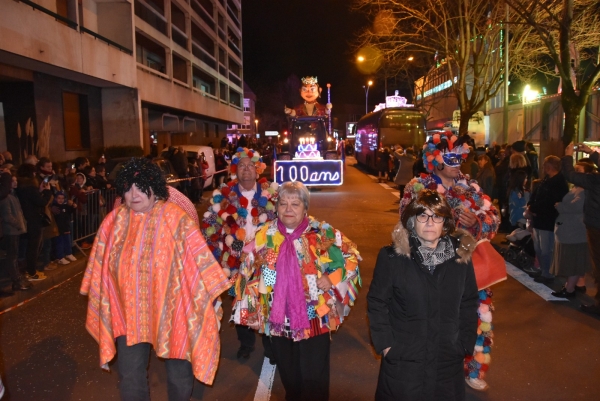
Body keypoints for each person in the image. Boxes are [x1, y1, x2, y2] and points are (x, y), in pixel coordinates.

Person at [80, 158, 230, 400]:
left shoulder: (176, 219)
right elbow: (100, 269)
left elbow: (200, 262)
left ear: (155, 188)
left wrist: (210, 299)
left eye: (141, 187)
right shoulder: (113, 222)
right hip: (129, 314)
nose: (134, 194)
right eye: (128, 188)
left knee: (179, 373)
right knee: (130, 375)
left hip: (174, 312)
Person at [231, 181, 361, 401]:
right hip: (279, 318)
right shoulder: (266, 235)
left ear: (305, 208)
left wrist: (332, 278)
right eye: (283, 203)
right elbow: (245, 266)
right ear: (277, 208)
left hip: (314, 318)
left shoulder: (321, 234)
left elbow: (351, 258)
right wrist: (252, 289)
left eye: (295, 204)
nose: (288, 209)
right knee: (290, 377)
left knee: (314, 377)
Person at [401, 131, 499, 392]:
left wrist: (477, 222)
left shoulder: (471, 187)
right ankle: (431, 368)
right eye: (451, 158)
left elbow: (494, 218)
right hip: (432, 267)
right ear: (435, 160)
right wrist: (451, 221)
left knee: (479, 317)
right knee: (434, 319)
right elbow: (407, 222)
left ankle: (474, 368)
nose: (458, 163)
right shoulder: (418, 187)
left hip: (470, 267)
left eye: (460, 157)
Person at [369, 190, 478, 400]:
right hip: (404, 359)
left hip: (447, 358)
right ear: (412, 221)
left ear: (445, 222)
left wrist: (464, 342)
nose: (430, 222)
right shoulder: (393, 257)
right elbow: (377, 302)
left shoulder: (460, 258)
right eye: (423, 216)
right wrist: (386, 345)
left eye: (436, 216)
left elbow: (469, 301)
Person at [201, 148, 274, 361]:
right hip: (236, 263)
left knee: (267, 299)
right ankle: (246, 344)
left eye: (250, 165)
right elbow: (209, 227)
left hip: (266, 262)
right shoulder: (224, 195)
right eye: (241, 166)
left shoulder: (271, 193)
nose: (246, 169)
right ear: (235, 170)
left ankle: (270, 345)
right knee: (240, 301)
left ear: (258, 168)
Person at [562, 143, 600, 314]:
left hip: (596, 226)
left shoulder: (594, 180)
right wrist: (592, 153)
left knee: (598, 266)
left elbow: (570, 175)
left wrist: (568, 156)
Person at [549, 160, 594, 298]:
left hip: (574, 232)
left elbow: (574, 207)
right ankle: (578, 285)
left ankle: (569, 289)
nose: (574, 174)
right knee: (575, 261)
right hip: (572, 231)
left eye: (578, 171)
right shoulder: (578, 188)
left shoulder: (584, 190)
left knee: (573, 262)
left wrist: (560, 206)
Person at [526, 156, 569, 283]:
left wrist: (533, 208)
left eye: (545, 165)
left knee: (546, 249)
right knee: (538, 247)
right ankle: (543, 270)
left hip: (548, 220)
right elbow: (537, 194)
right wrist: (531, 205)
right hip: (539, 218)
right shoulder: (547, 179)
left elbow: (550, 202)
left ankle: (548, 273)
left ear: (549, 166)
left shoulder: (559, 182)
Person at [16, 163, 52, 281]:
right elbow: (41, 202)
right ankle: (31, 272)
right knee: (34, 247)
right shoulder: (30, 187)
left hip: (25, 220)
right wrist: (47, 192)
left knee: (29, 246)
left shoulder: (20, 187)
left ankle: (29, 270)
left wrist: (39, 190)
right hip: (34, 220)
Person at [0, 175, 32, 293]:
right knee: (12, 257)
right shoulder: (6, 198)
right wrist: (18, 224)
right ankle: (16, 281)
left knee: (14, 256)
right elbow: (7, 216)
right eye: (12, 181)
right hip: (11, 231)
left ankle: (17, 280)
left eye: (15, 180)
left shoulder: (13, 195)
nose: (15, 182)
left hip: (14, 230)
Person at [50, 191, 77, 265]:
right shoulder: (55, 207)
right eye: (59, 198)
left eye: (62, 198)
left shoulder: (65, 206)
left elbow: (71, 211)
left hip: (66, 227)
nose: (60, 200)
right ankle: (60, 257)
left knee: (67, 241)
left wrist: (73, 206)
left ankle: (69, 253)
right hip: (59, 229)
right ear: (55, 198)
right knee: (59, 243)